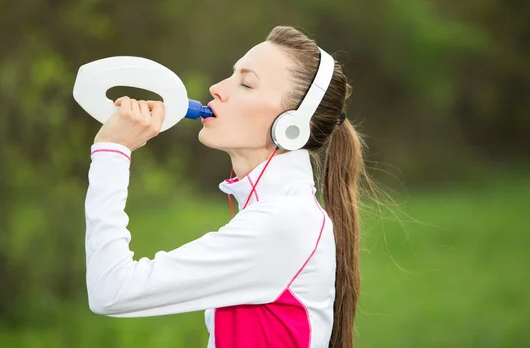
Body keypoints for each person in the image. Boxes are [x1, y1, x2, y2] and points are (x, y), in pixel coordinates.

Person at [85, 26, 368, 348]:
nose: (217, 88)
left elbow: (112, 290)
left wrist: (112, 152)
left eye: (246, 83)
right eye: (231, 76)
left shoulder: (284, 222)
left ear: (292, 126)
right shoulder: (280, 212)